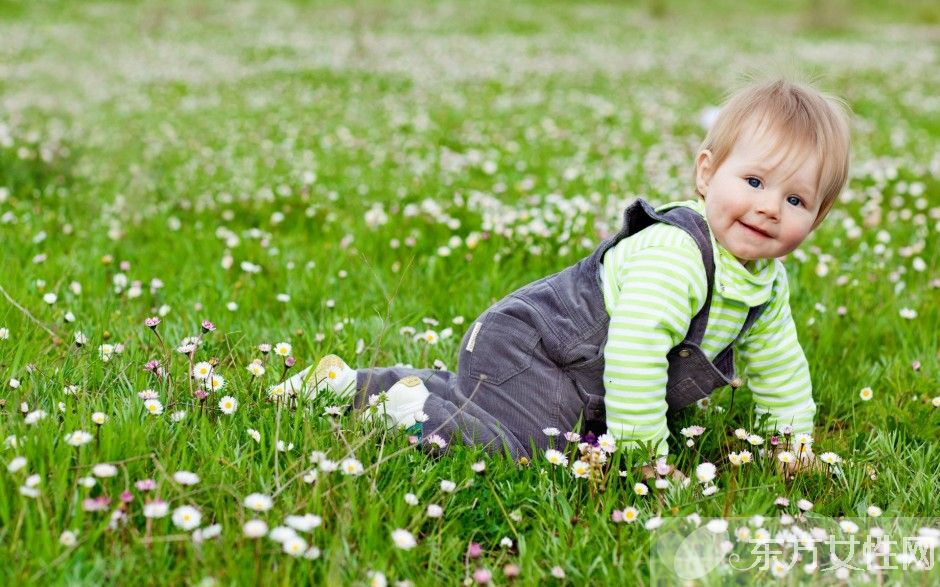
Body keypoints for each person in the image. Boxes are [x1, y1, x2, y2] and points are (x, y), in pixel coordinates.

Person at [284, 76, 851, 471]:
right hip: (534, 349)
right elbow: (633, 352)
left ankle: (353, 383)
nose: (769, 207)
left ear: (817, 217)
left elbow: (780, 368)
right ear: (707, 173)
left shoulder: (765, 284)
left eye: (795, 199)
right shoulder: (677, 255)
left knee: (540, 428)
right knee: (522, 449)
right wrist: (644, 458)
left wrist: (794, 445)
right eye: (754, 182)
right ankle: (402, 408)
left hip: (578, 380)